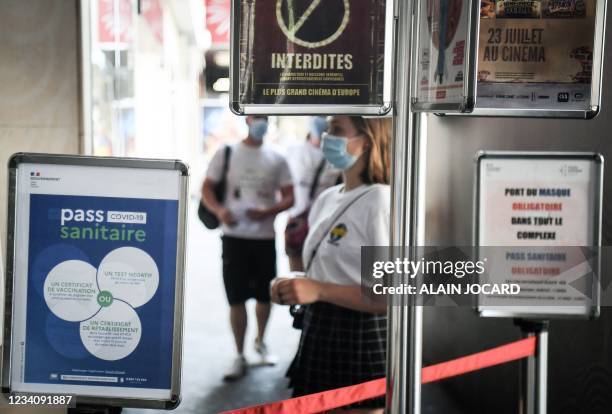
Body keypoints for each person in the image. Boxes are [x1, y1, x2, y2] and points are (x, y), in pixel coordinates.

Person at [271, 116, 391, 413]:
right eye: (327, 129)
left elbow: (388, 295)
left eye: (337, 130)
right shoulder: (328, 198)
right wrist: (296, 284)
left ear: (366, 141)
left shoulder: (380, 200)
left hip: (359, 332)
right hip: (321, 326)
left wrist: (318, 290)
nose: (326, 138)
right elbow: (328, 272)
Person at [202, 115, 294, 381]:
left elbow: (290, 196)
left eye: (265, 118)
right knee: (236, 297)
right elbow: (206, 187)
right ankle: (239, 354)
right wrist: (220, 211)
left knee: (266, 297)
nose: (260, 122)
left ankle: (260, 342)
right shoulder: (228, 152)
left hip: (264, 238)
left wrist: (269, 211)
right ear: (247, 119)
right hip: (234, 237)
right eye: (256, 118)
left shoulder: (277, 156)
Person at [285, 116, 341, 271]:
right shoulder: (294, 151)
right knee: (296, 265)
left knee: (321, 265)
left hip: (325, 219)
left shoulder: (336, 154)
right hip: (298, 217)